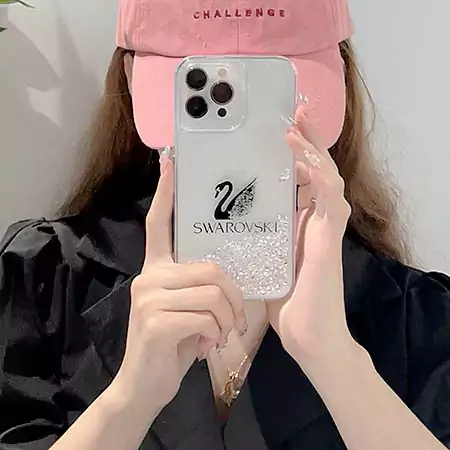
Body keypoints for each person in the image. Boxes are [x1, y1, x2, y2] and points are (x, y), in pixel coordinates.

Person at [1, 0, 450, 449]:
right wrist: (129, 399)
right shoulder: (43, 280)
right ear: (130, 77)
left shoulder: (418, 319)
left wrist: (337, 362)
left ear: (343, 80)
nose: (241, 128)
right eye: (203, 87)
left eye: (270, 87)